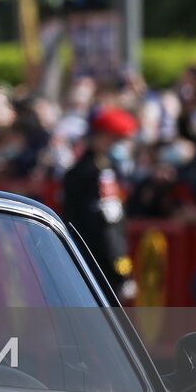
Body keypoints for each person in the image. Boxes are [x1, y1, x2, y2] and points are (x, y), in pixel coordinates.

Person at [61, 106, 138, 301]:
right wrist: (122, 270)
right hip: (99, 264)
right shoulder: (102, 175)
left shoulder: (78, 171)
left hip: (75, 259)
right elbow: (109, 227)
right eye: (116, 140)